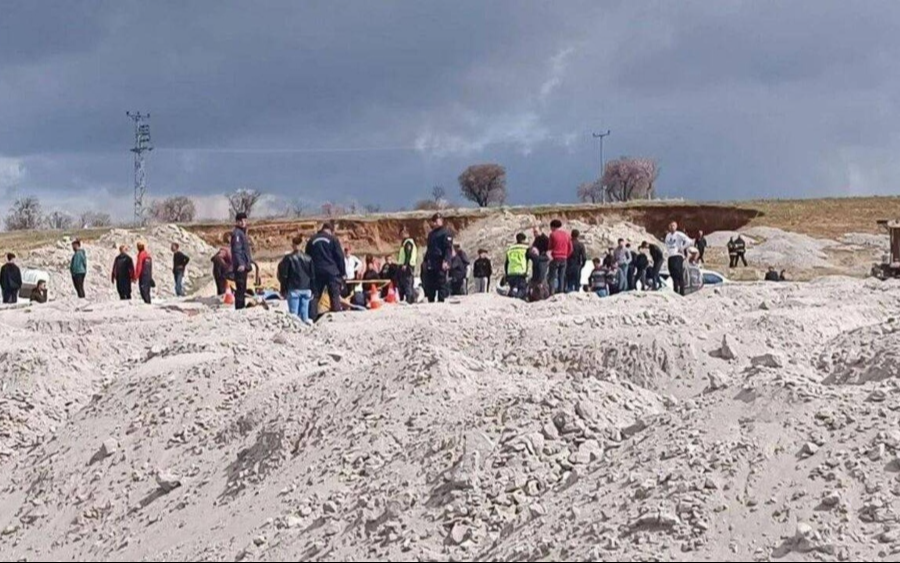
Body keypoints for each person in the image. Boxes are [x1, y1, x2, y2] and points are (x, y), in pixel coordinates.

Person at [306, 222, 347, 314]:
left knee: (315, 296)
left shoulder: (312, 240)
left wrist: (309, 272)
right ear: (331, 230)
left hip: (316, 272)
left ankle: (312, 318)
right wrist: (343, 273)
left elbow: (307, 257)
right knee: (334, 295)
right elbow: (339, 257)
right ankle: (335, 315)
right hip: (332, 272)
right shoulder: (333, 239)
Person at [277, 235, 315, 325]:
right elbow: (312, 275)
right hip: (306, 288)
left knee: (294, 315)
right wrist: (313, 289)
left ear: (292, 245)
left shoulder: (288, 258)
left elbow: (285, 275)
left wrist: (283, 289)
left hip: (294, 288)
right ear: (302, 245)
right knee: (304, 315)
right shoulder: (308, 258)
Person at [422, 213, 453, 303]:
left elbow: (448, 248)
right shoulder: (431, 234)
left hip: (441, 260)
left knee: (441, 282)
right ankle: (430, 300)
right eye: (434, 221)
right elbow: (429, 248)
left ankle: (441, 300)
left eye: (437, 220)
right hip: (431, 261)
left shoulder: (446, 233)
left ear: (441, 221)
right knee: (430, 282)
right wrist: (425, 260)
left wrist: (446, 260)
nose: (435, 223)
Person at [231, 213, 253, 310]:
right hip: (240, 266)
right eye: (241, 221)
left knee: (243, 287)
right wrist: (241, 263)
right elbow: (237, 250)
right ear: (237, 222)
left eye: (245, 220)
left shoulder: (242, 233)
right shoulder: (237, 234)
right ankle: (239, 307)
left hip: (244, 264)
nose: (244, 223)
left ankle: (242, 306)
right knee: (240, 287)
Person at [665, 221, 692, 296]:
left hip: (677, 256)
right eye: (670, 225)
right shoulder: (668, 236)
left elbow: (689, 241)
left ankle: (682, 293)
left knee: (679, 275)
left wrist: (682, 248)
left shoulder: (679, 234)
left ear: (676, 226)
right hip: (671, 256)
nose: (672, 227)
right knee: (673, 275)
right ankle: (675, 292)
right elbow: (666, 245)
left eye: (673, 225)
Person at [546, 219, 572, 295]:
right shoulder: (566, 234)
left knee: (552, 277)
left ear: (553, 227)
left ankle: (552, 292)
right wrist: (566, 255)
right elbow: (571, 248)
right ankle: (561, 292)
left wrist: (550, 256)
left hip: (555, 257)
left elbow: (550, 247)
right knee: (561, 276)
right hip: (564, 257)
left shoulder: (552, 234)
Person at [397, 226, 418, 304]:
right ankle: (408, 298)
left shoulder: (408, 242)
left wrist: (405, 264)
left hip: (407, 266)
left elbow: (408, 254)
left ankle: (409, 299)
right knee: (404, 282)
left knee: (407, 282)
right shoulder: (405, 243)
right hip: (405, 265)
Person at [505, 233, 530, 299]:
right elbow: (530, 259)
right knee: (522, 289)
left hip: (511, 271)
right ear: (523, 240)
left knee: (512, 287)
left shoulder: (510, 248)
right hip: (521, 272)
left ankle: (510, 298)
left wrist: (506, 273)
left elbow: (506, 262)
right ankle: (517, 300)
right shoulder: (525, 248)